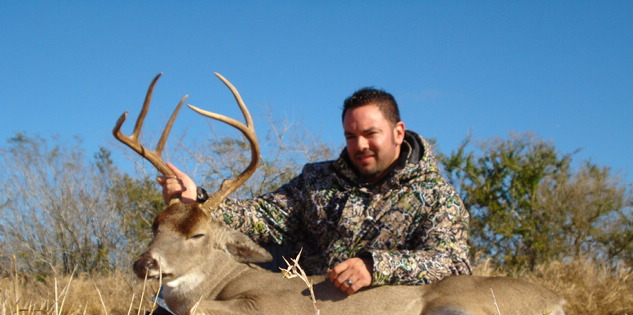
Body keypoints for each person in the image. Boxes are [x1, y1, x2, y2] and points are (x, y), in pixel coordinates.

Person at [159, 87, 472, 295]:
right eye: (351, 136)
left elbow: (455, 265)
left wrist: (375, 267)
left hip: (380, 310)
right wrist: (200, 200)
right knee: (214, 247)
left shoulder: (437, 198)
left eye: (370, 133)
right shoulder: (317, 178)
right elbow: (263, 216)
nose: (360, 145)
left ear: (398, 132)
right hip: (300, 296)